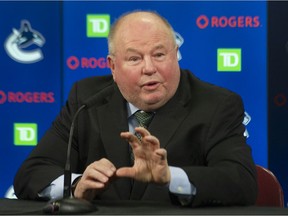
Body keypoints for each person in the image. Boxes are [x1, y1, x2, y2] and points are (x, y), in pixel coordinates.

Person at [13, 10, 257, 207]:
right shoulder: (86, 99)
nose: (149, 68)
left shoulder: (217, 105)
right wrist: (78, 186)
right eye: (134, 58)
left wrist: (171, 177)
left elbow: (241, 182)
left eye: (159, 54)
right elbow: (31, 174)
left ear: (176, 55)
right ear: (113, 66)